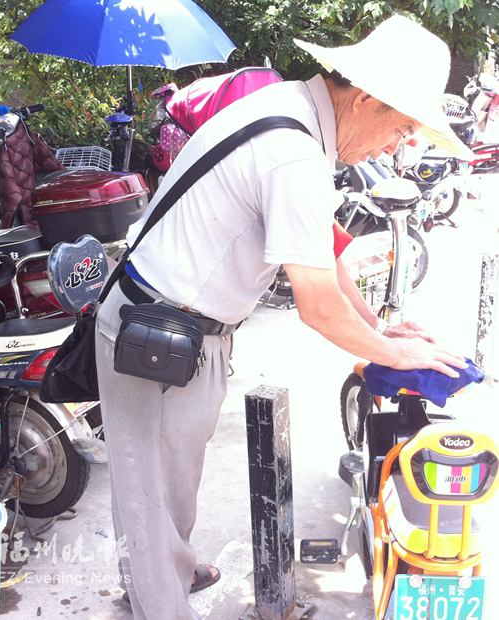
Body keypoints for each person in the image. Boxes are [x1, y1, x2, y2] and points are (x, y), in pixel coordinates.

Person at [94, 15, 472, 620]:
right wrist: (397, 354)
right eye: (400, 128)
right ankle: (157, 601)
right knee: (149, 496)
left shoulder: (290, 110)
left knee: (173, 476)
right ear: (369, 99)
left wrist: (377, 329)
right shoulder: (294, 151)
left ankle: (175, 566)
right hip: (154, 334)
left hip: (184, 330)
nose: (395, 146)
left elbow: (322, 247)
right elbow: (316, 304)